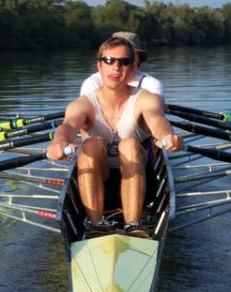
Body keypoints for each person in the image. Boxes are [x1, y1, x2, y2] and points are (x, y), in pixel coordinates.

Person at [47, 34, 182, 237]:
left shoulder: (146, 99)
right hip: (100, 183)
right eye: (109, 60)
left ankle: (133, 226)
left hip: (143, 187)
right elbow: (67, 126)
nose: (116, 68)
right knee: (91, 145)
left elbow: (158, 122)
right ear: (99, 66)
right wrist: (59, 142)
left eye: (124, 62)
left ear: (133, 67)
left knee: (128, 145)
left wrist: (168, 136)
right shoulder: (83, 104)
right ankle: (96, 226)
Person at [79, 31, 162, 97]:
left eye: (126, 60)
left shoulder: (151, 84)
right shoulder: (92, 83)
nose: (117, 66)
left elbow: (154, 110)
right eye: (110, 60)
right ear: (100, 65)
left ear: (138, 61)